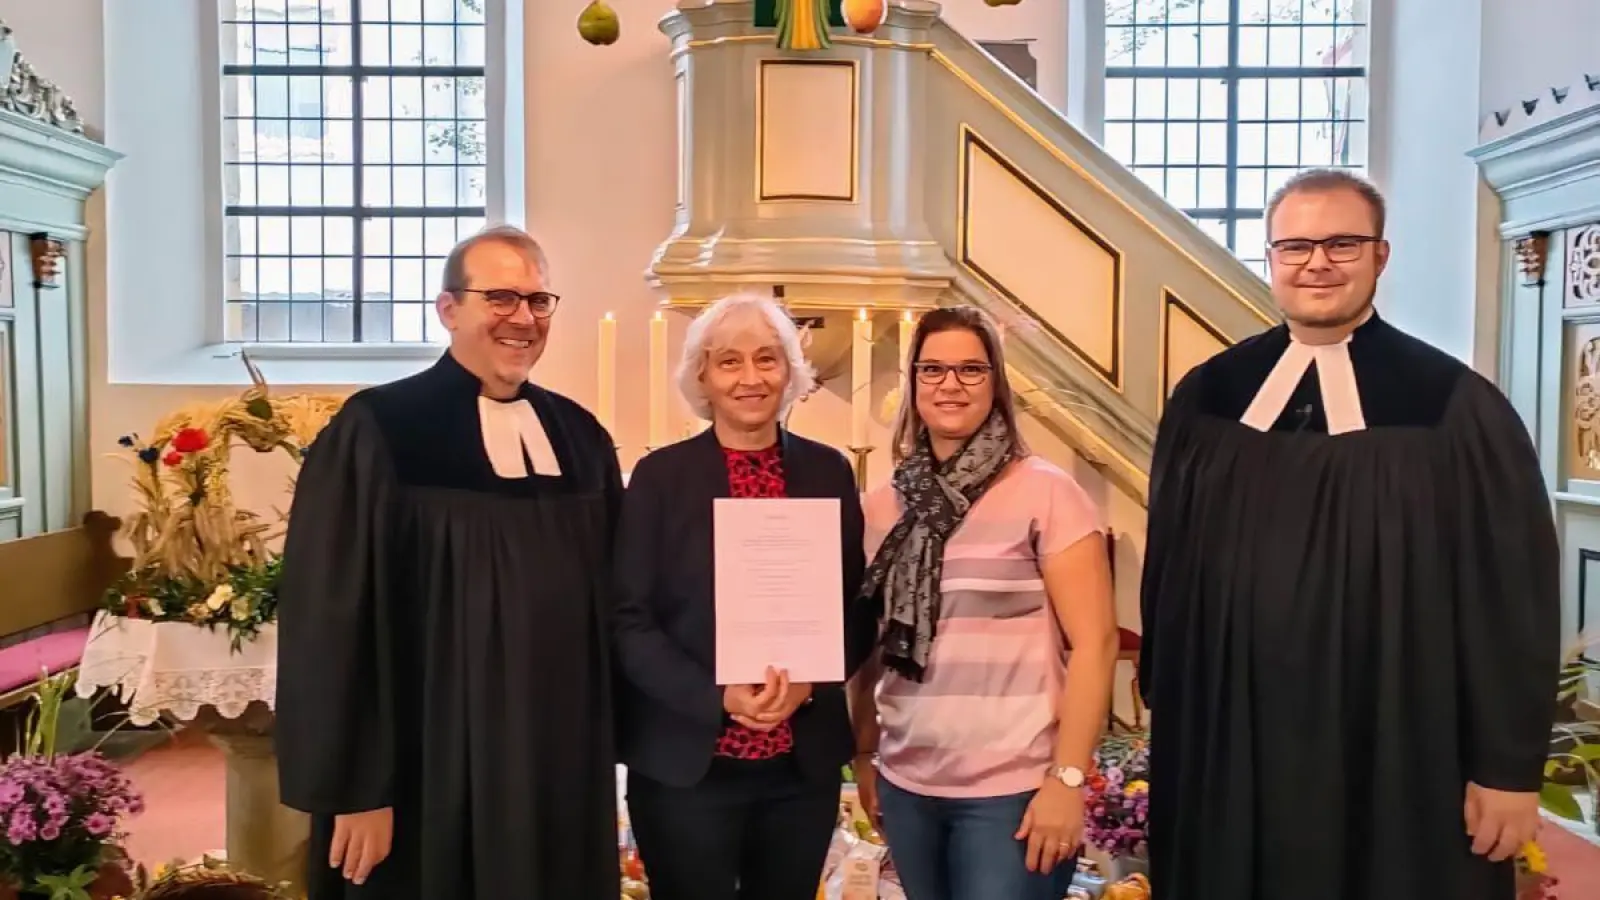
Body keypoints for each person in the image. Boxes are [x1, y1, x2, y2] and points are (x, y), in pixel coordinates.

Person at [1139, 168, 1561, 900]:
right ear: (1269, 257)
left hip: (1397, 736)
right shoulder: (1208, 397)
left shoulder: (1452, 408)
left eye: (1342, 243)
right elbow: (1168, 572)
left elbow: (1511, 596)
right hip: (1232, 739)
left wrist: (1506, 765)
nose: (1317, 263)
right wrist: (1171, 714)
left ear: (1381, 255)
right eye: (1295, 246)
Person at [274, 225, 623, 899]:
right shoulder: (380, 430)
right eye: (500, 297)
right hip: (426, 767)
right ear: (448, 309)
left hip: (556, 763)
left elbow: (621, 602)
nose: (523, 317)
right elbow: (330, 618)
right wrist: (356, 789)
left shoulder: (579, 437)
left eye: (538, 300)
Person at [611, 292, 879, 900]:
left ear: (790, 372)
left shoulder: (827, 472)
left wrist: (812, 679)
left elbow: (857, 607)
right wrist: (719, 697)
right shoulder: (661, 479)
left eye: (767, 359)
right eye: (728, 362)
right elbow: (628, 620)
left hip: (798, 765)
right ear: (701, 376)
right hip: (687, 765)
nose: (750, 378)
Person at [848, 305, 1119, 900]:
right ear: (913, 381)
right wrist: (866, 751)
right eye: (933, 369)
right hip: (908, 781)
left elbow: (1097, 643)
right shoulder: (881, 507)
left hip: (1012, 790)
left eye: (971, 370)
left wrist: (1067, 779)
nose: (950, 385)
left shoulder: (1046, 492)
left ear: (995, 383)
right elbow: (869, 648)